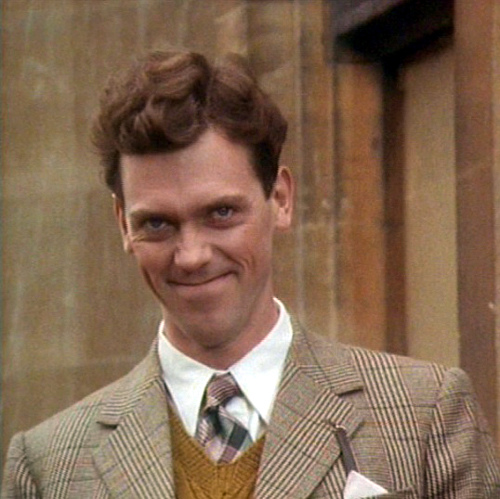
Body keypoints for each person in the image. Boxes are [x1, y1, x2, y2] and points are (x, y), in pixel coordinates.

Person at [2, 50, 499, 499]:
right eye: (157, 224)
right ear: (122, 224)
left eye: (221, 213)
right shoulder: (49, 467)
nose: (191, 256)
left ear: (280, 199)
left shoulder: (424, 416)